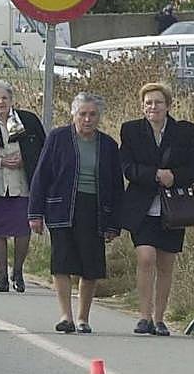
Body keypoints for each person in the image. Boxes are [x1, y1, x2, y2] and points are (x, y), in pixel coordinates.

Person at [28, 93, 124, 334]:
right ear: (74, 115)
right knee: (61, 263)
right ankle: (66, 316)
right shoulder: (58, 138)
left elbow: (115, 185)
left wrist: (114, 222)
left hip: (94, 208)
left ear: (99, 117)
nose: (87, 119)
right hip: (61, 206)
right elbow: (41, 176)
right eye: (83, 114)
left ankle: (83, 317)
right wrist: (35, 213)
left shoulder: (108, 145)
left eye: (92, 114)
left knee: (89, 266)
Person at [120, 82, 194, 337]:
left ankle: (159, 318)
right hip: (142, 207)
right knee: (146, 258)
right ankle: (143, 316)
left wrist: (174, 176)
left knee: (166, 264)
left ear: (168, 105)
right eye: (148, 103)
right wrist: (154, 174)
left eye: (157, 102)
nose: (152, 107)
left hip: (174, 209)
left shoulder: (184, 131)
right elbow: (127, 167)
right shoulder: (131, 130)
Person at [0, 80, 46, 293]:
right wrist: (0, 162)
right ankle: (1, 276)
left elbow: (42, 149)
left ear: (11, 100)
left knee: (22, 229)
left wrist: (25, 159)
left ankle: (18, 271)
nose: (0, 102)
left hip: (22, 183)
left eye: (4, 98)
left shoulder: (27, 120)